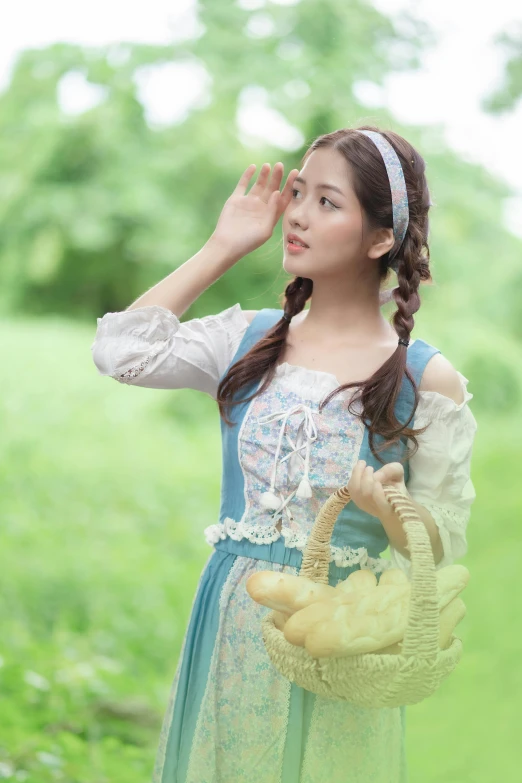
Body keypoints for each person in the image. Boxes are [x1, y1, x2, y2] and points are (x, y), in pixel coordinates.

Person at [91, 124, 478, 783]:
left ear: (381, 237)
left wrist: (392, 511)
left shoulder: (423, 376)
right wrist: (223, 246)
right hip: (233, 617)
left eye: (327, 202)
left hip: (342, 635)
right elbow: (120, 352)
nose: (296, 214)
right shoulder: (246, 339)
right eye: (299, 192)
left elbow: (442, 540)